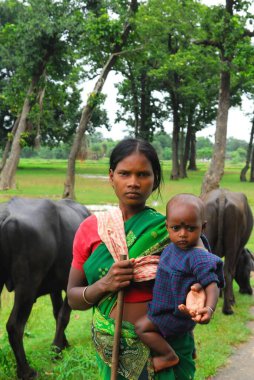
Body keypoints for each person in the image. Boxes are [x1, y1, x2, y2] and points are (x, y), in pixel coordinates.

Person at [67, 138, 206, 380]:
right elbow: (73, 297)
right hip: (114, 348)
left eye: (143, 174)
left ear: (155, 180)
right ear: (111, 176)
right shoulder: (90, 230)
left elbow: (204, 271)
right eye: (124, 173)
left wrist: (199, 296)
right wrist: (104, 285)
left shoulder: (173, 231)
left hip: (167, 343)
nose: (133, 182)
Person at [135, 194, 225, 373]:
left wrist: (209, 309)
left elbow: (212, 284)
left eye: (191, 228)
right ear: (167, 226)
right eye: (176, 228)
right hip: (170, 307)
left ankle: (168, 356)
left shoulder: (198, 256)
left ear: (203, 227)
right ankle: (190, 347)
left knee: (141, 327)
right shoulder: (175, 246)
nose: (183, 234)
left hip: (170, 314)